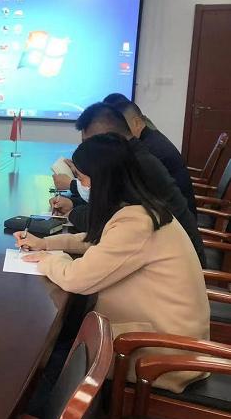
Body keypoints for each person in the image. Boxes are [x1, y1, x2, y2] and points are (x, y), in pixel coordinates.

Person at [17, 133, 209, 394]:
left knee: (60, 354)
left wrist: (48, 259)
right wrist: (46, 243)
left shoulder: (136, 223)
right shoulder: (142, 209)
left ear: (102, 180)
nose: (80, 185)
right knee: (67, 335)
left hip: (161, 354)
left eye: (82, 178)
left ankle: (43, 410)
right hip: (159, 333)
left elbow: (76, 279)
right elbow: (101, 242)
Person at [50, 103, 205, 266]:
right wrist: (74, 204)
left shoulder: (137, 165)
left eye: (89, 144)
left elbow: (103, 221)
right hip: (163, 255)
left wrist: (72, 212)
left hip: (174, 264)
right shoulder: (134, 156)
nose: (87, 150)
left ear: (107, 140)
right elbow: (108, 209)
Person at [112, 99, 196, 215]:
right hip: (172, 212)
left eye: (120, 129)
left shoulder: (149, 151)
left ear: (136, 123)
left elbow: (134, 194)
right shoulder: (151, 137)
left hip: (177, 220)